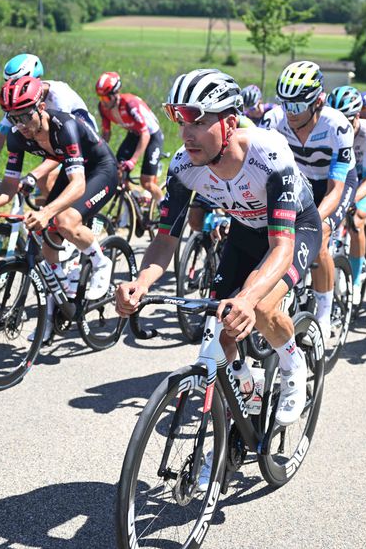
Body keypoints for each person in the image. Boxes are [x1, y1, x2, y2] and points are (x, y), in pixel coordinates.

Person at [116, 69, 320, 436]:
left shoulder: (268, 153)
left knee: (257, 306)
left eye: (197, 120)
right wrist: (142, 281)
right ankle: (242, 387)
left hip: (294, 231)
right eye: (179, 119)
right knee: (221, 327)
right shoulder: (182, 165)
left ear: (228, 123)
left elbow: (282, 246)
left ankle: (293, 364)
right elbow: (165, 241)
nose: (186, 133)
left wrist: (249, 296)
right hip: (245, 230)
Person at [0, 77, 118, 339]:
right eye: (13, 118)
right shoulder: (16, 138)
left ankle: (101, 262)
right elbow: (8, 186)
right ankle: (52, 316)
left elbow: (78, 184)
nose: (21, 125)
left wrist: (46, 211)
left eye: (26, 116)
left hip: (99, 169)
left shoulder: (66, 126)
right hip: (75, 167)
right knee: (47, 243)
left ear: (40, 106)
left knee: (63, 221)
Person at [269, 61, 356, 341]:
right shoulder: (273, 121)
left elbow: (335, 188)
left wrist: (314, 223)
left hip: (334, 183)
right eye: (285, 105)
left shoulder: (337, 126)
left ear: (317, 102)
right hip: (301, 182)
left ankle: (324, 314)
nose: (290, 113)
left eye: (297, 106)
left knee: (318, 240)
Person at [0, 54, 96, 196]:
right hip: (52, 140)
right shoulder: (20, 103)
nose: (14, 88)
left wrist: (34, 175)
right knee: (42, 188)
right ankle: (50, 212)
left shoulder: (59, 96)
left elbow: (63, 139)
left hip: (77, 137)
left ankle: (67, 213)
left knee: (45, 179)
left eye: (18, 82)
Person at [328, 86, 366, 307]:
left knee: (356, 218)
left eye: (347, 120)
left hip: (364, 181)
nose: (341, 126)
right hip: (341, 178)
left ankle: (356, 280)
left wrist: (350, 199)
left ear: (357, 116)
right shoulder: (331, 129)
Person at [95, 71, 165, 204]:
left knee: (146, 182)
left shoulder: (129, 104)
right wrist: (98, 152)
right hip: (134, 134)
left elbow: (145, 134)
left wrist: (133, 161)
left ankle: (164, 208)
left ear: (115, 94)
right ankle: (132, 208)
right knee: (119, 174)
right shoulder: (103, 108)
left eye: (106, 98)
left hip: (152, 135)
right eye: (100, 98)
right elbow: (106, 134)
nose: (103, 103)